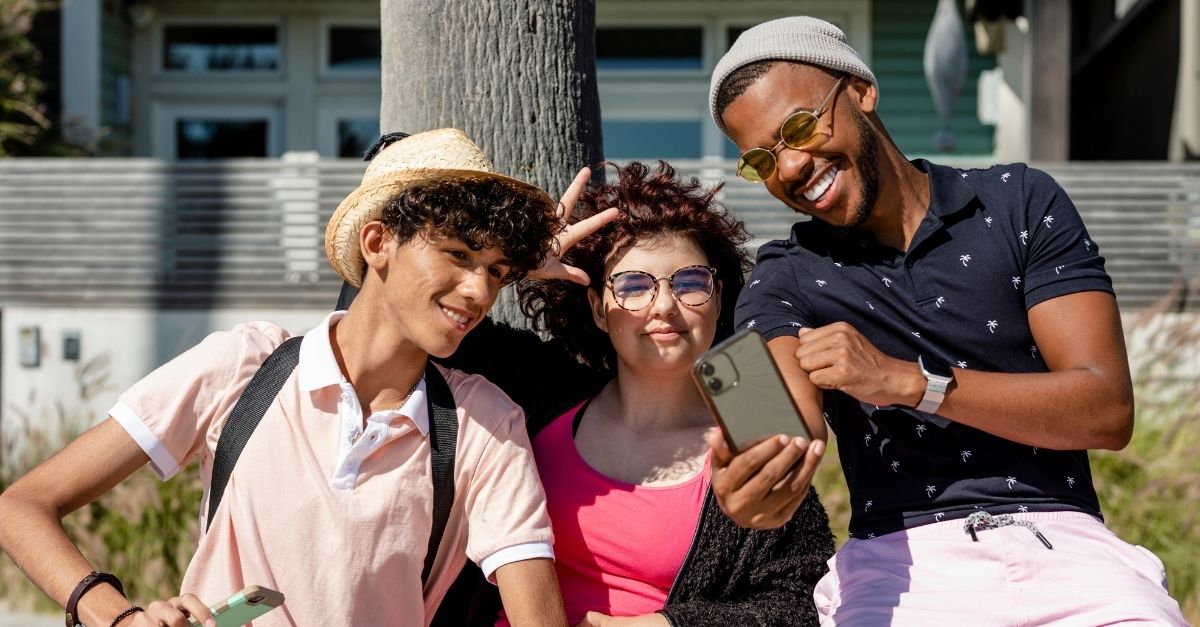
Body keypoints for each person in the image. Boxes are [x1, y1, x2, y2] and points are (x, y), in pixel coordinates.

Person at [703, 16, 1187, 625]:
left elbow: (1107, 409)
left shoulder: (1019, 202)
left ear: (860, 91)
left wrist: (913, 383)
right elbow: (775, 429)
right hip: (901, 566)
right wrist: (756, 485)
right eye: (761, 160)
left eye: (799, 127)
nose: (791, 166)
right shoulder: (783, 276)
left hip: (1068, 548)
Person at [0, 128, 573, 627]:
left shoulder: (486, 426)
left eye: (497, 272)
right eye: (457, 254)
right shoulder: (245, 367)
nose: (480, 292)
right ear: (378, 243)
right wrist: (118, 615)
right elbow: (21, 506)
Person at [438, 160, 835, 627]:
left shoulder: (749, 415)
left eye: (690, 283)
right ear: (599, 309)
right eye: (633, 286)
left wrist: (660, 626)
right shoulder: (541, 389)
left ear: (719, 298)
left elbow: (802, 601)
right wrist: (515, 265)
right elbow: (401, 317)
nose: (665, 305)